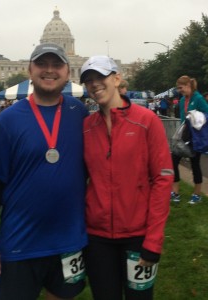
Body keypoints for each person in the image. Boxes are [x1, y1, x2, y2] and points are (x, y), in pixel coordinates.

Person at [0, 43, 88, 300]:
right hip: (21, 243)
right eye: (42, 64)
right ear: (30, 70)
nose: (49, 70)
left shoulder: (80, 113)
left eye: (56, 64)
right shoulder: (8, 121)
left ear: (66, 70)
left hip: (70, 243)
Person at [80, 55, 174, 300]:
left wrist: (153, 241)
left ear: (117, 78)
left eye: (100, 76)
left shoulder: (147, 121)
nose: (94, 83)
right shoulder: (86, 127)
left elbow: (162, 181)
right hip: (97, 239)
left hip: (138, 236)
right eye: (88, 79)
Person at [171, 75, 208, 204]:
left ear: (188, 86)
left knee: (195, 164)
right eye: (178, 88)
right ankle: (175, 192)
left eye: (181, 87)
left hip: (195, 137)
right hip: (183, 136)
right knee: (173, 160)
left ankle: (197, 194)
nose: (179, 90)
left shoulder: (198, 98)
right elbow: (182, 119)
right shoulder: (182, 100)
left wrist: (197, 117)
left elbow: (206, 114)